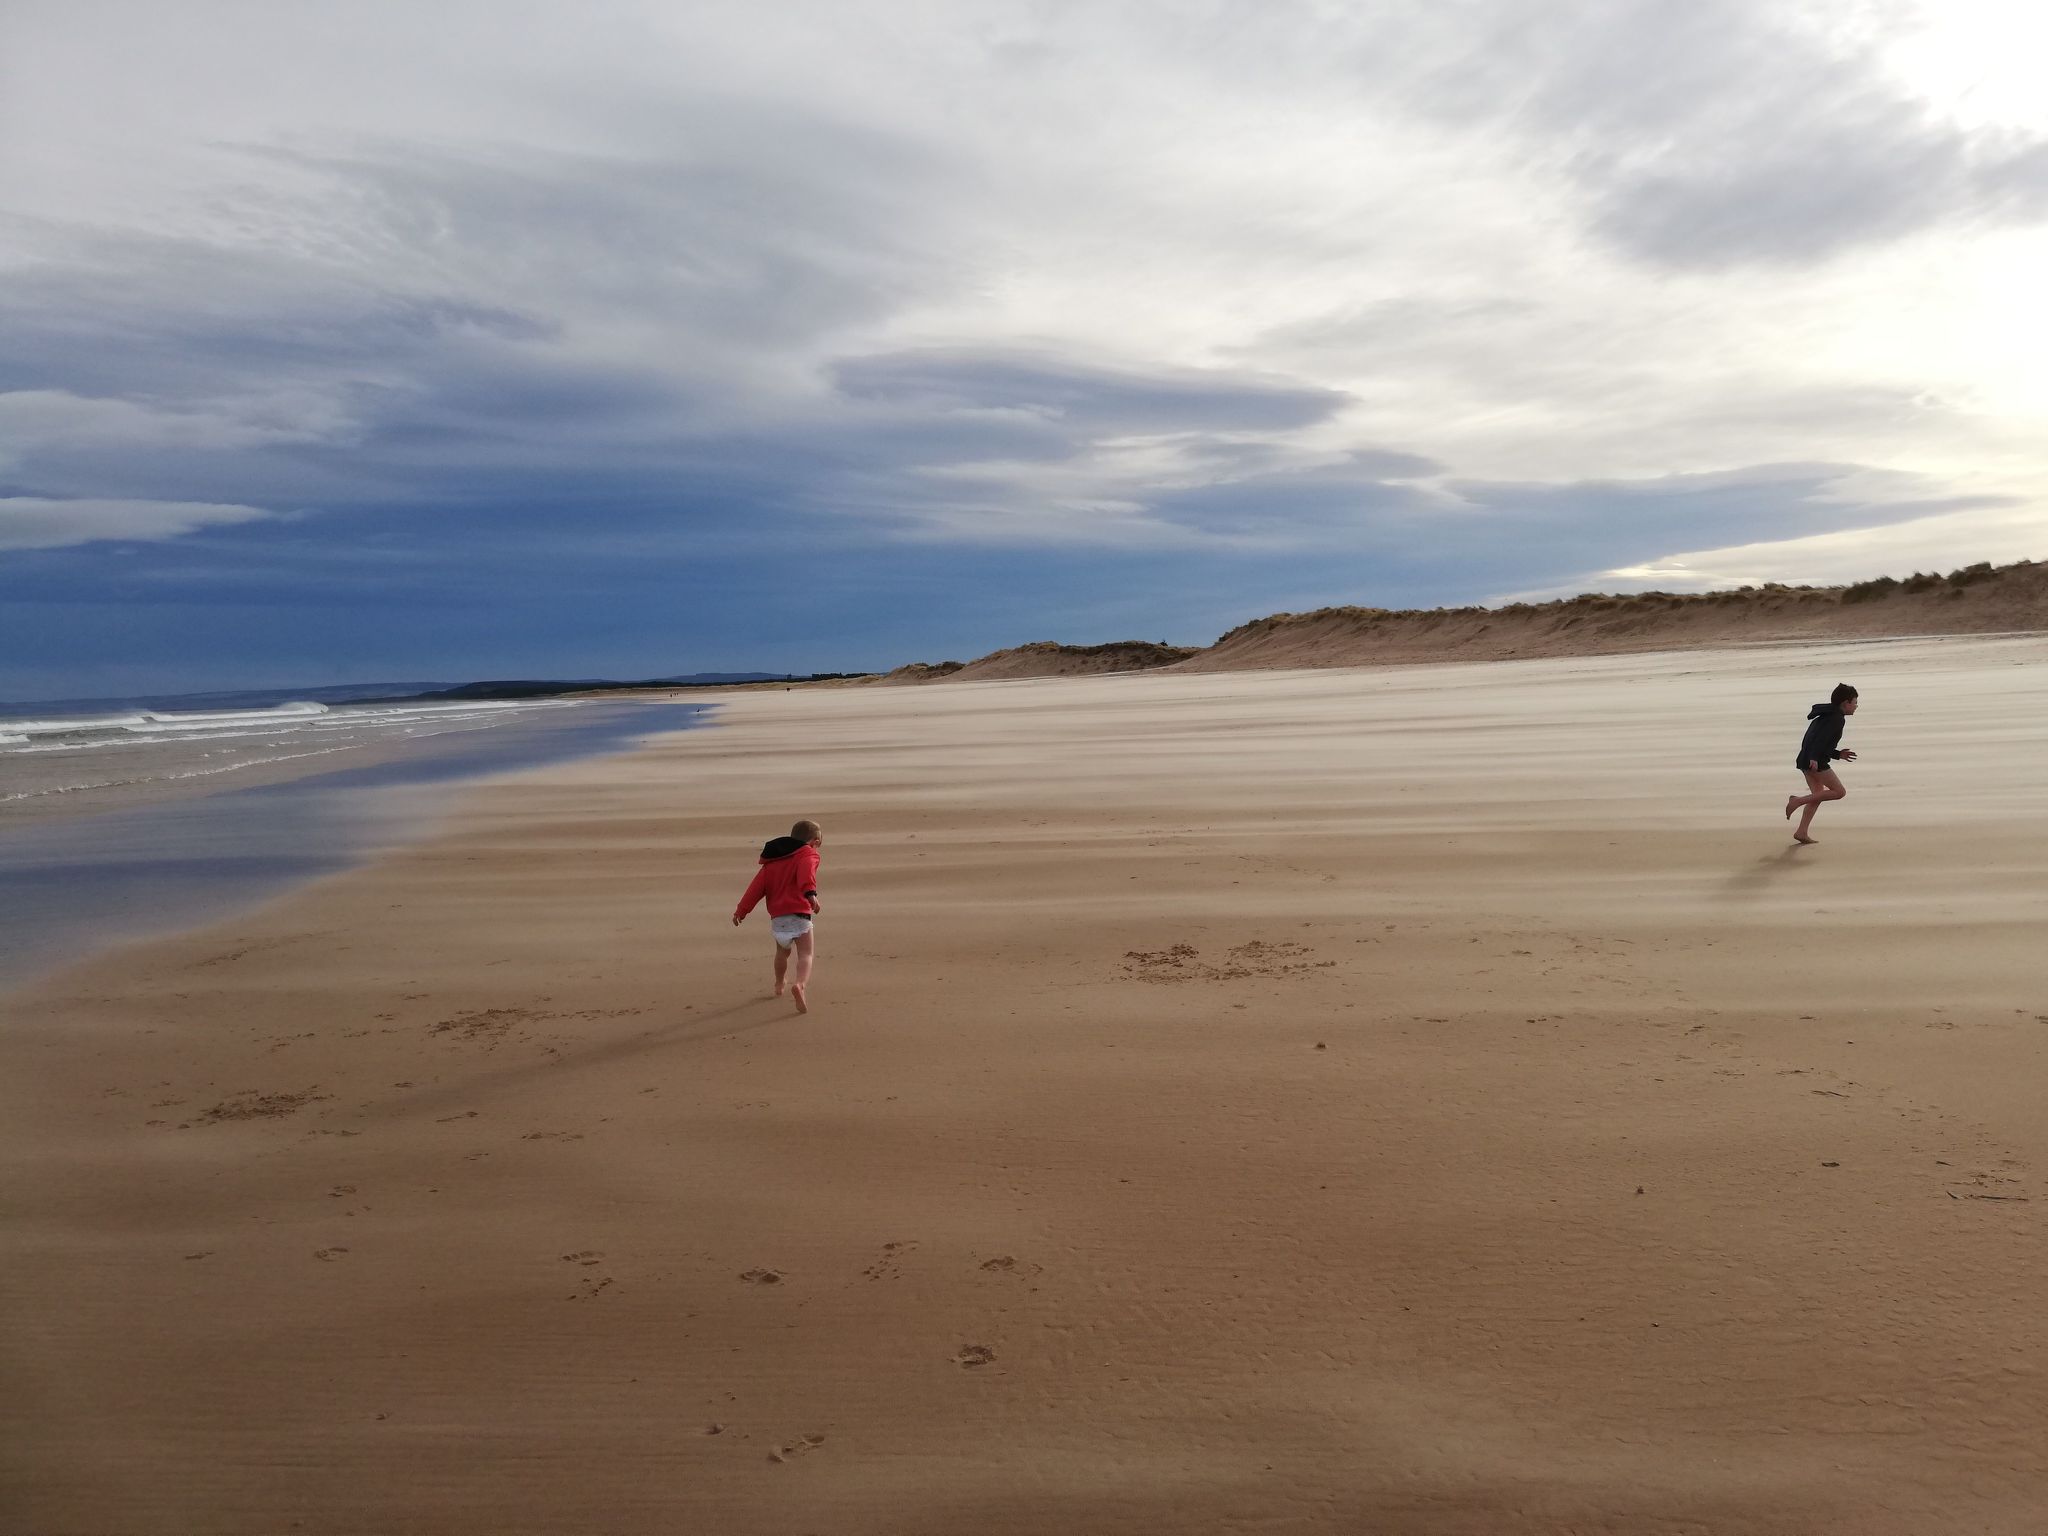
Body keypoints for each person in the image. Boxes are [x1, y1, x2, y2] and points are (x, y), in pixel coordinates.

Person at [733, 819, 823, 1012]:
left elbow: (755, 889)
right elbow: (806, 874)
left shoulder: (771, 863)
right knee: (805, 954)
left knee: (782, 952)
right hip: (800, 913)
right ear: (814, 841)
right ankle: (800, 985)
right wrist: (811, 895)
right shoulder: (807, 854)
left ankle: (779, 983)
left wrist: (741, 910)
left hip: (778, 918)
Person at [1784, 684, 1859, 844]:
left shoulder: (1828, 715)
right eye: (1854, 702)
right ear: (1845, 703)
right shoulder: (1837, 718)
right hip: (1814, 761)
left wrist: (1838, 754)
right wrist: (1814, 759)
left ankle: (1801, 832)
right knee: (1839, 792)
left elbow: (1820, 741)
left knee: (1817, 795)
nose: (1856, 706)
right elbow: (1817, 740)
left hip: (1806, 759)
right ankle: (1796, 801)